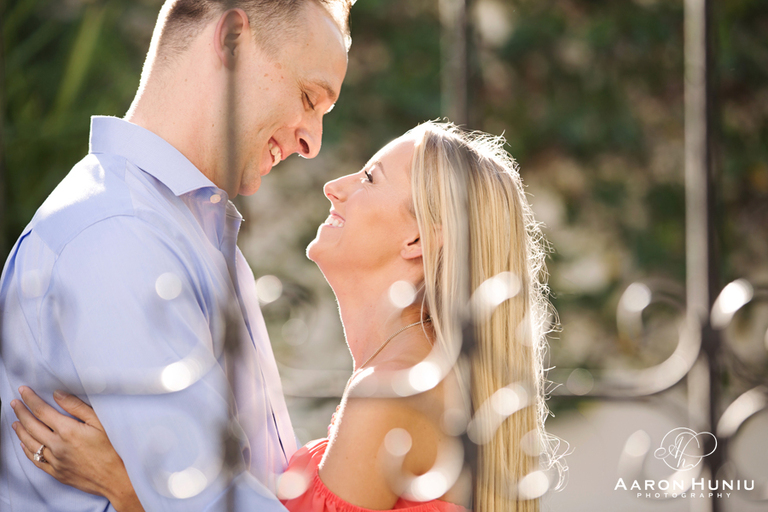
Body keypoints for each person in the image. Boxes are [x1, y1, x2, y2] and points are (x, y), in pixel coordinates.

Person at [12, 121, 562, 512]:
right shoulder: (420, 377)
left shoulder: (395, 390)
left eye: (369, 179)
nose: (334, 186)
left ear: (418, 238)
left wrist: (131, 491)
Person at [0, 1, 350, 511]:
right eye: (307, 97)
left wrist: (132, 488)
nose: (311, 141)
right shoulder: (117, 235)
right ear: (231, 39)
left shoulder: (185, 232)